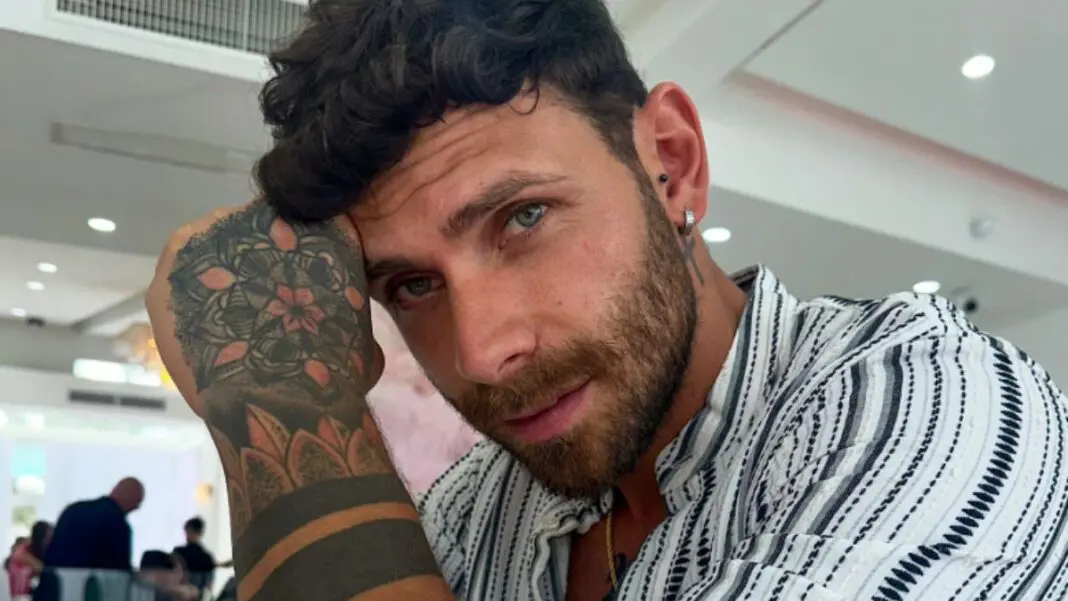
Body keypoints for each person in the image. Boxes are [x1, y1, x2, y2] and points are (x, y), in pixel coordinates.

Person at [144, 1, 1068, 600]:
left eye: (523, 217)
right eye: (412, 285)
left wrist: (274, 395)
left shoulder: (939, 401)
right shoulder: (476, 508)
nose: (480, 351)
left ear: (671, 163)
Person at [43, 478, 143, 572]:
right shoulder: (120, 526)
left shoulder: (73, 509)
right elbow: (120, 571)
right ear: (128, 497)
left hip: (56, 581)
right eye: (137, 502)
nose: (136, 508)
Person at [172, 517, 231, 594]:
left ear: (198, 533)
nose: (187, 535)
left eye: (190, 532)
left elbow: (208, 585)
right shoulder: (179, 552)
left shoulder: (205, 557)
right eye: (187, 532)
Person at [7, 522, 51, 598]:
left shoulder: (38, 551)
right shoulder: (23, 551)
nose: (49, 541)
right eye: (47, 538)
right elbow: (41, 568)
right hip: (18, 595)